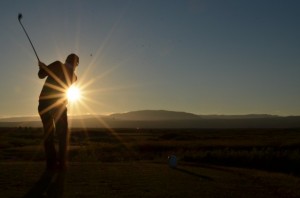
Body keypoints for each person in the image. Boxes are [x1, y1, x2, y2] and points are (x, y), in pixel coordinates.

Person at [38, 53, 79, 170]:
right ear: (76, 64)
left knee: (48, 134)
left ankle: (51, 165)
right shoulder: (74, 77)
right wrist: (45, 67)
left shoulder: (57, 64)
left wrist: (42, 67)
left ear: (66, 59)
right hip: (59, 106)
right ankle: (62, 164)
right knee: (62, 135)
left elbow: (41, 75)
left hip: (44, 105)